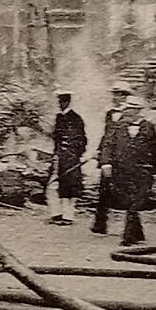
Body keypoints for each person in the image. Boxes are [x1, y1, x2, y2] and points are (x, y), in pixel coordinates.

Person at [99, 96, 156, 246]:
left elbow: (154, 150)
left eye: (130, 109)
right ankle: (138, 234)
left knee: (135, 201)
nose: (126, 112)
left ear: (138, 111)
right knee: (130, 201)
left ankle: (128, 237)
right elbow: (107, 145)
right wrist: (106, 163)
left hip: (142, 170)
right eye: (126, 109)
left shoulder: (149, 127)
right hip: (123, 170)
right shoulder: (117, 126)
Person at [91, 82, 132, 234]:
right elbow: (107, 134)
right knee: (104, 189)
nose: (115, 98)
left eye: (118, 94)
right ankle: (100, 224)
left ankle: (131, 228)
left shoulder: (130, 113)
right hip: (109, 157)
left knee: (126, 190)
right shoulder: (110, 113)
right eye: (114, 94)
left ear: (125, 96)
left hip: (124, 157)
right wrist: (99, 150)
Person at [47, 89, 87, 226]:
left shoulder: (75, 118)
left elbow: (81, 140)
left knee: (70, 187)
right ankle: (56, 214)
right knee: (53, 185)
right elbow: (56, 138)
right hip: (59, 156)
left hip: (70, 158)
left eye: (63, 101)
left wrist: (73, 154)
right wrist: (56, 153)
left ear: (68, 101)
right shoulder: (59, 117)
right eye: (59, 101)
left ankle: (68, 216)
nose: (61, 104)